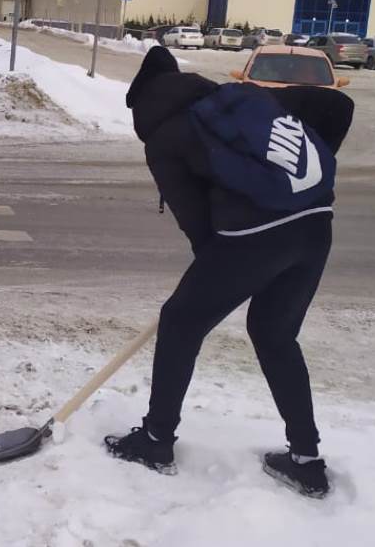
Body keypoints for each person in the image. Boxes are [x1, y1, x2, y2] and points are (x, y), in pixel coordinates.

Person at [104, 46, 353, 499]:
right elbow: (337, 105)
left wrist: (215, 266)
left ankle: (156, 441)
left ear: (142, 106)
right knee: (275, 335)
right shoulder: (236, 100)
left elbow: (195, 219)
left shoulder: (165, 136)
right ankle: (306, 460)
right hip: (316, 224)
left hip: (257, 235)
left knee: (181, 321)